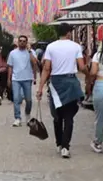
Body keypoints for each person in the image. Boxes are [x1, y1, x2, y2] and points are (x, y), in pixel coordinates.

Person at [36, 24, 85, 158]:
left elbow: (46, 69)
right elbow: (81, 66)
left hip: (56, 84)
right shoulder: (76, 46)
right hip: (71, 83)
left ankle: (59, 143)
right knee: (69, 117)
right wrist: (89, 72)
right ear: (69, 33)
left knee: (57, 116)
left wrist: (40, 88)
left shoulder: (51, 47)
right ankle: (65, 147)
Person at [7, 35, 38, 126]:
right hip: (16, 79)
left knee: (28, 100)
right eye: (20, 41)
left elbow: (35, 63)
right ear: (17, 42)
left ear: (27, 42)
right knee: (16, 99)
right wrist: (9, 79)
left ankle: (27, 115)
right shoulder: (13, 53)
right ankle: (17, 118)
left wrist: (29, 51)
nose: (22, 42)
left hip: (27, 78)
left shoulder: (31, 52)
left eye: (24, 41)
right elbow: (10, 66)